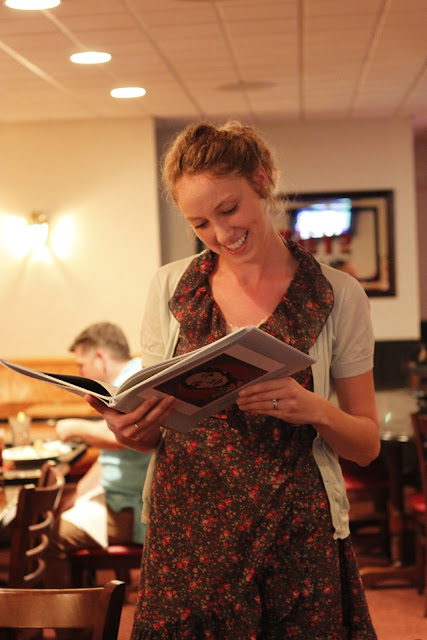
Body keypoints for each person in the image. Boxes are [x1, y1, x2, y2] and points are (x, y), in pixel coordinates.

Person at [86, 122, 380, 638]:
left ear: (261, 180)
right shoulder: (170, 287)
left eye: (229, 209)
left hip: (297, 533)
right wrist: (133, 431)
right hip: (188, 533)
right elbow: (156, 425)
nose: (221, 234)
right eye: (200, 223)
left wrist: (314, 408)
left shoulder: (337, 294)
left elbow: (367, 444)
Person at [45, 322, 152, 588]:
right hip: (117, 497)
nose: (80, 373)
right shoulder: (118, 383)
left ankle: (70, 615)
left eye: (81, 365)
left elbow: (126, 436)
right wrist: (77, 493)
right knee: (56, 515)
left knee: (51, 537)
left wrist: (76, 428)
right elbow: (108, 459)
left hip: (132, 506)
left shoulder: (133, 382)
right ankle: (84, 602)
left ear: (100, 357)